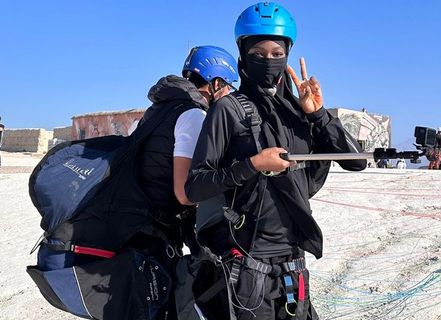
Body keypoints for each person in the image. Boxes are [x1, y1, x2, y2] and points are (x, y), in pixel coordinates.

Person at [184, 2, 366, 320]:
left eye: (276, 53)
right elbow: (195, 186)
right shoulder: (228, 109)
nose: (269, 60)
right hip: (246, 264)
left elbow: (356, 162)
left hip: (294, 263)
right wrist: (252, 165)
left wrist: (318, 114)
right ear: (243, 54)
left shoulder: (300, 112)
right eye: (259, 52)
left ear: (288, 54)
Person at [128, 45, 238, 319]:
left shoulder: (158, 109)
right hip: (157, 228)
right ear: (216, 83)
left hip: (137, 220)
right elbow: (185, 193)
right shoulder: (193, 115)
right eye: (228, 89)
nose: (228, 97)